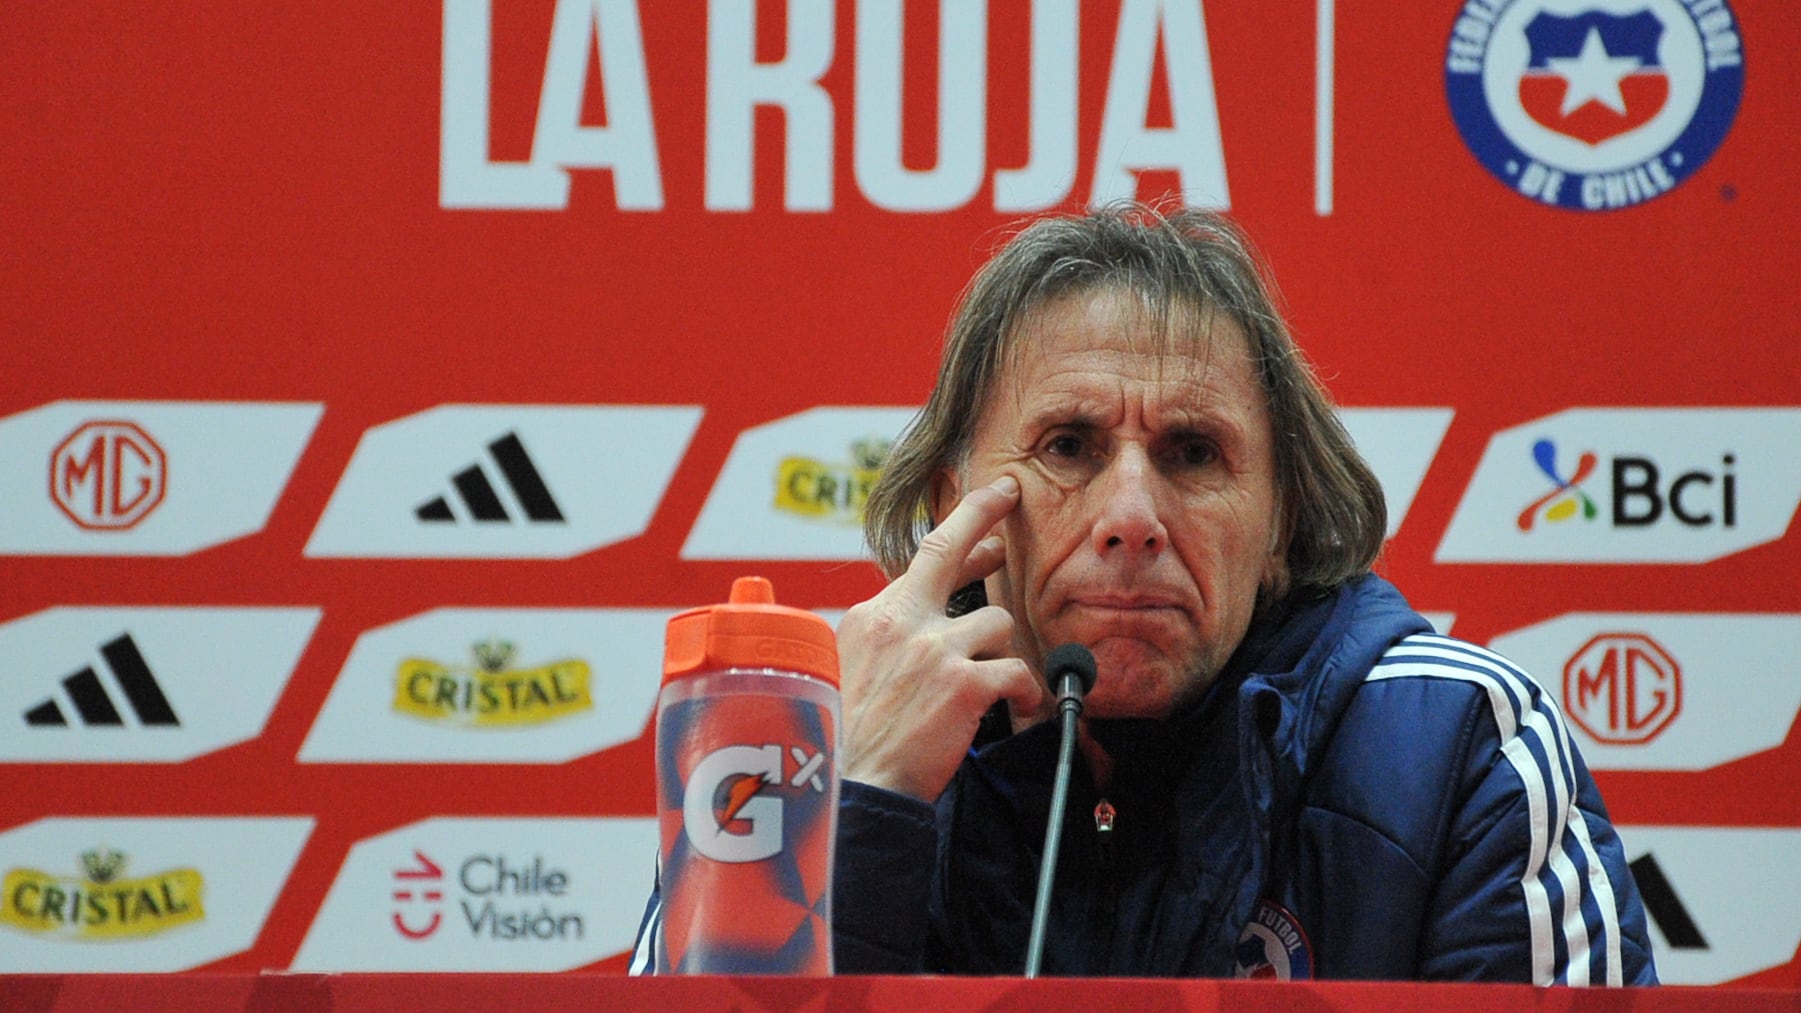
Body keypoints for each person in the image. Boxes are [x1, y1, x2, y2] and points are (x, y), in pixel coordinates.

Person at [635, 203, 1657, 983]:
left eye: (1192, 451)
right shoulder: (807, 738)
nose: (1132, 512)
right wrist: (858, 806)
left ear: (1279, 525)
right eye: (1069, 445)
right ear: (961, 505)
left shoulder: (1451, 740)